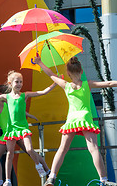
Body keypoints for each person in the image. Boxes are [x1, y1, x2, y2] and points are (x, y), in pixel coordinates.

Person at [35, 56, 116, 186]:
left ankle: (51, 177)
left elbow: (50, 74)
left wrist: (40, 62)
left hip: (72, 119)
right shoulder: (87, 84)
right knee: (94, 149)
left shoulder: (65, 85)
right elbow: (109, 84)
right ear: (82, 71)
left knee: (62, 149)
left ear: (68, 73)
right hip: (85, 119)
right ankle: (104, 179)